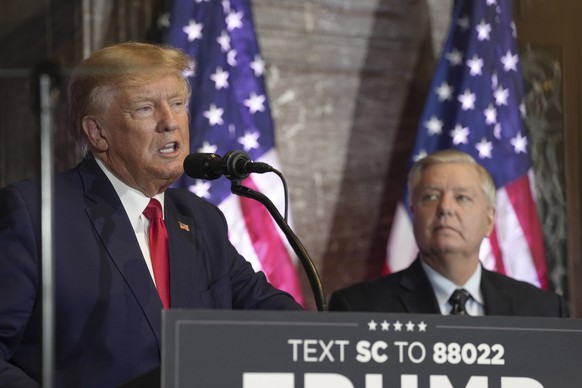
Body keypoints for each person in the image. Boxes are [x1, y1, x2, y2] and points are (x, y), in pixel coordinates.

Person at [0, 42, 302, 388]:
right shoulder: (35, 214)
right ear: (97, 132)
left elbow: (271, 314)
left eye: (177, 104)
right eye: (145, 108)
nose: (170, 122)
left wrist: (344, 346)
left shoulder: (201, 220)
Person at [329, 149, 569, 317]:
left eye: (462, 198)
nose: (445, 208)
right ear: (414, 215)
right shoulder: (359, 308)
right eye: (431, 197)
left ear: (489, 220)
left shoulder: (544, 311)